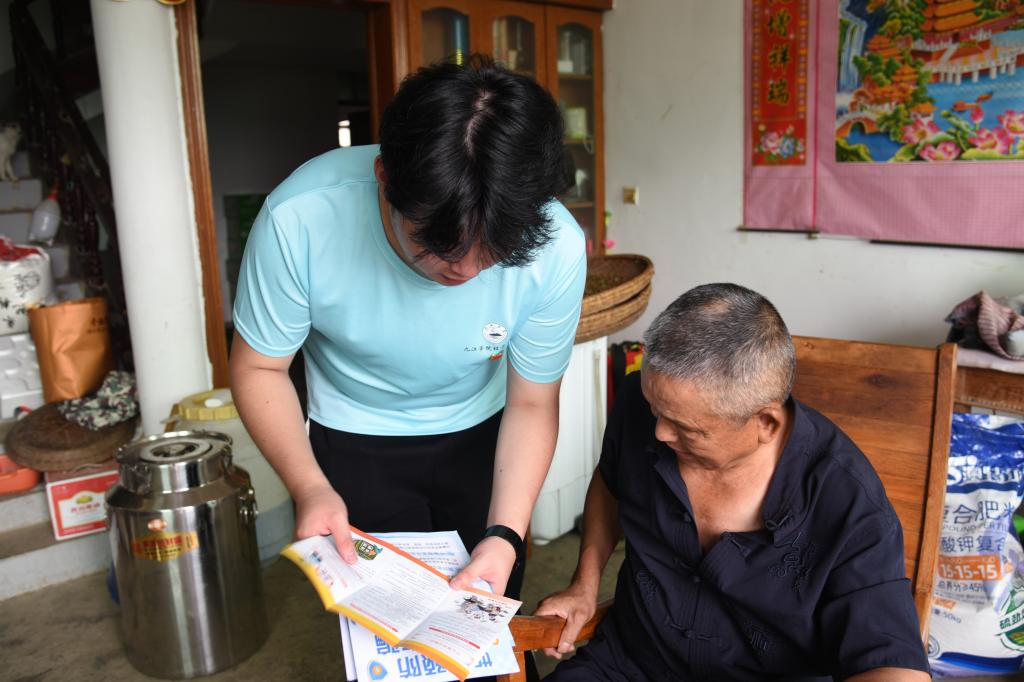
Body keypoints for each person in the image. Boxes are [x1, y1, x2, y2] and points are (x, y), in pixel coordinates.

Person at [229, 55, 586, 600]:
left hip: (486, 432)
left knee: (486, 599)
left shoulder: (554, 244)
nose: (466, 270)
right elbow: (259, 367)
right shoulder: (300, 218)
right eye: (440, 245)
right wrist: (309, 486)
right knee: (380, 615)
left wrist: (505, 534)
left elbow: (533, 402)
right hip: (355, 432)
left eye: (493, 249)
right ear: (385, 179)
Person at [536, 283, 931, 681]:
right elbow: (611, 481)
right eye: (656, 410)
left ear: (766, 423)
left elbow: (897, 668)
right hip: (630, 663)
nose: (659, 433)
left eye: (687, 428)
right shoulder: (642, 406)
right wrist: (584, 584)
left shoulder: (847, 502)